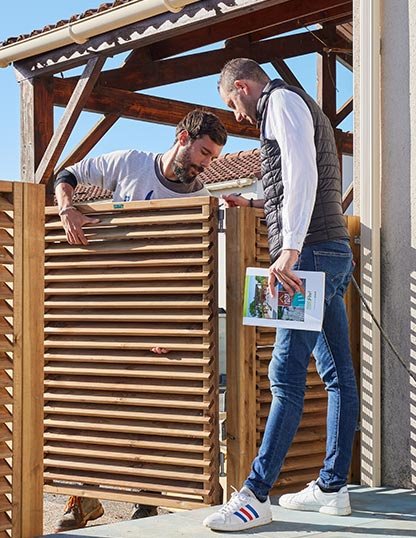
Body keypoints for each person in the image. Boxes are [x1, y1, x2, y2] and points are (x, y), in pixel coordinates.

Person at [53, 109, 228, 533]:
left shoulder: (198, 198)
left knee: (152, 413)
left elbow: (195, 270)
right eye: (204, 152)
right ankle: (85, 499)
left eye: (213, 157)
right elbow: (68, 173)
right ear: (183, 137)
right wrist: (66, 209)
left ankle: (146, 504)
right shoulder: (130, 163)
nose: (206, 164)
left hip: (162, 319)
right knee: (94, 406)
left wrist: (175, 326)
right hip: (109, 309)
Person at [203, 59, 359, 532]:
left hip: (308, 256)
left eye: (233, 103)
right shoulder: (295, 106)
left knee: (285, 376)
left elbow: (301, 170)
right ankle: (333, 488)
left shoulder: (279, 102)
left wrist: (288, 250)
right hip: (326, 251)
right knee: (337, 375)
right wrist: (253, 203)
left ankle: (255, 495)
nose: (239, 115)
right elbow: (292, 182)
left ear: (244, 87)